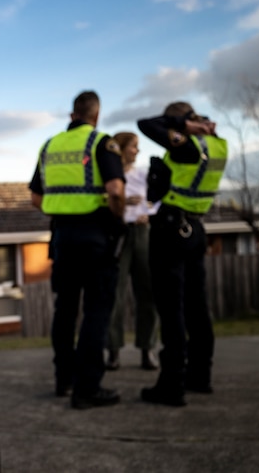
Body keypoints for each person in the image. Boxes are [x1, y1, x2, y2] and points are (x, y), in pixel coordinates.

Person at [29, 90, 126, 410]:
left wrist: (63, 208)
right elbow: (115, 189)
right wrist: (117, 215)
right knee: (97, 310)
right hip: (97, 235)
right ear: (96, 115)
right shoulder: (102, 142)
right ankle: (88, 387)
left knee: (65, 311)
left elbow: (36, 198)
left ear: (73, 113)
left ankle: (64, 380)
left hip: (63, 237)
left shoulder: (50, 145)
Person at [137, 102, 228, 407]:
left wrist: (182, 124)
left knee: (171, 308)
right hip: (195, 229)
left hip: (171, 229)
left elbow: (145, 124)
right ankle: (200, 376)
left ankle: (172, 384)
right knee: (196, 307)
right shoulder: (215, 144)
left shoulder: (188, 145)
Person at [105, 132, 160, 371]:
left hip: (142, 234)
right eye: (133, 146)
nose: (137, 151)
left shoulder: (143, 175)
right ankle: (114, 351)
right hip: (118, 234)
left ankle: (147, 350)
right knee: (114, 294)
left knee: (147, 292)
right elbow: (105, 199)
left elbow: (158, 200)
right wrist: (123, 203)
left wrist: (149, 213)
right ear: (122, 148)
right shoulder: (110, 175)